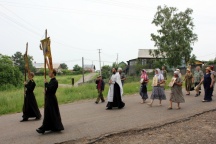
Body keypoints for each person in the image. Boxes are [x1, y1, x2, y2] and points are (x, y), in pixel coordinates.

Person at [36, 70, 64, 134]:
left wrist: (46, 83)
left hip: (52, 99)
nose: (48, 73)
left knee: (50, 113)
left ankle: (44, 128)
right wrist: (46, 92)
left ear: (53, 74)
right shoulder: (51, 81)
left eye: (50, 73)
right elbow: (49, 90)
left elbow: (51, 89)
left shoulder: (55, 81)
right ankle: (50, 127)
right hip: (49, 98)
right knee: (49, 113)